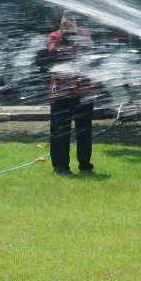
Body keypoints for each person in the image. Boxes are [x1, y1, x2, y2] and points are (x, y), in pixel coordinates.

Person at [47, 14, 96, 174]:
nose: (68, 22)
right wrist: (62, 33)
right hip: (60, 94)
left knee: (84, 131)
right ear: (60, 21)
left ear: (76, 21)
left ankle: (85, 165)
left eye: (71, 19)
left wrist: (76, 31)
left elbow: (89, 47)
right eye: (65, 20)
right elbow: (52, 53)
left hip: (83, 91)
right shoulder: (54, 36)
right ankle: (60, 167)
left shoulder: (84, 33)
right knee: (60, 131)